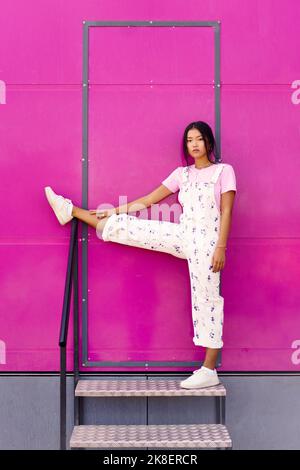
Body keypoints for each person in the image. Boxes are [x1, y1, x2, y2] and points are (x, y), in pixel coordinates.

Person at [44, 121, 236, 389]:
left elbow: (226, 211)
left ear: (208, 143)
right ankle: (72, 211)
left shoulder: (223, 172)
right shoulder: (182, 175)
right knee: (138, 229)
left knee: (207, 298)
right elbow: (148, 200)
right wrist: (115, 210)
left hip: (208, 243)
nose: (194, 144)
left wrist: (220, 248)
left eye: (199, 139)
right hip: (184, 234)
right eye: (189, 140)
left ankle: (208, 368)